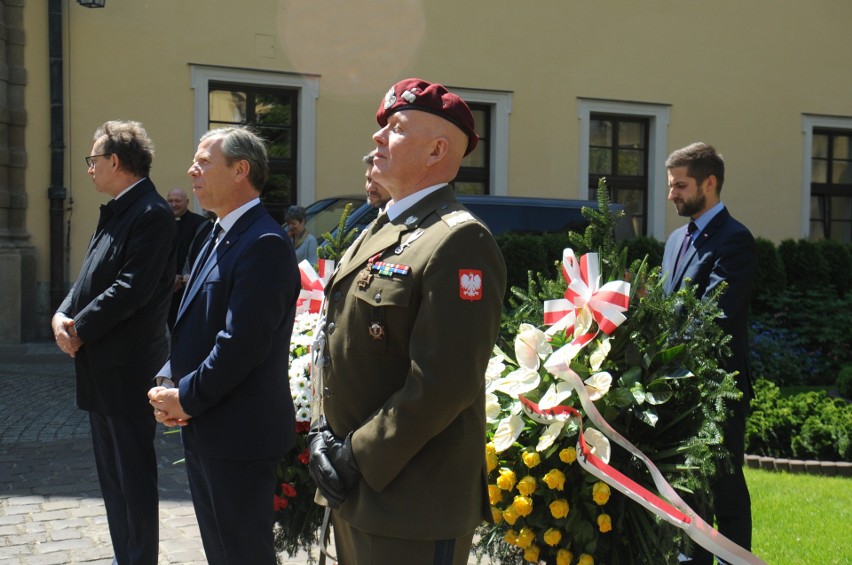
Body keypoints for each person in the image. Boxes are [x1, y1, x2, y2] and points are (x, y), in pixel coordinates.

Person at [308, 78, 507, 565]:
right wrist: (320, 433)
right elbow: (332, 342)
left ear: (438, 150)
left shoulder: (458, 241)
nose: (377, 138)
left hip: (413, 505)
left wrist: (356, 455)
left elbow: (444, 383)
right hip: (356, 492)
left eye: (395, 129)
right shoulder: (380, 227)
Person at [147, 126, 300, 565]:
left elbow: (241, 344)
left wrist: (186, 398)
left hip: (239, 432)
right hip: (208, 424)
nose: (192, 170)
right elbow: (196, 322)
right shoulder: (213, 234)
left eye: (203, 162)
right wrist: (169, 378)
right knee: (222, 553)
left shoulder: (264, 242)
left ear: (240, 170)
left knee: (242, 554)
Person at [51, 120, 176, 565]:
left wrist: (79, 329)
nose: (89, 169)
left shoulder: (151, 214)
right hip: (101, 369)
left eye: (93, 160)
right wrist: (63, 313)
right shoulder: (118, 210)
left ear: (116, 162)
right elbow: (88, 277)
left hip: (127, 371)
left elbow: (131, 288)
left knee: (134, 482)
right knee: (113, 482)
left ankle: (139, 559)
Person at [661, 142, 756, 565]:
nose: (672, 195)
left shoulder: (736, 240)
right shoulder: (675, 240)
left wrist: (664, 328)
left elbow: (715, 312)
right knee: (686, 489)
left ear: (710, 183)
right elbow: (666, 304)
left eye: (680, 185)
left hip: (718, 388)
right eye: (671, 185)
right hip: (676, 389)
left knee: (725, 489)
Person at [166, 188, 212, 329]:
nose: (174, 204)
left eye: (178, 201)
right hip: (165, 287)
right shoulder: (160, 222)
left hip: (188, 286)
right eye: (170, 201)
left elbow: (201, 253)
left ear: (187, 202)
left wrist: (187, 275)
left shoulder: (200, 224)